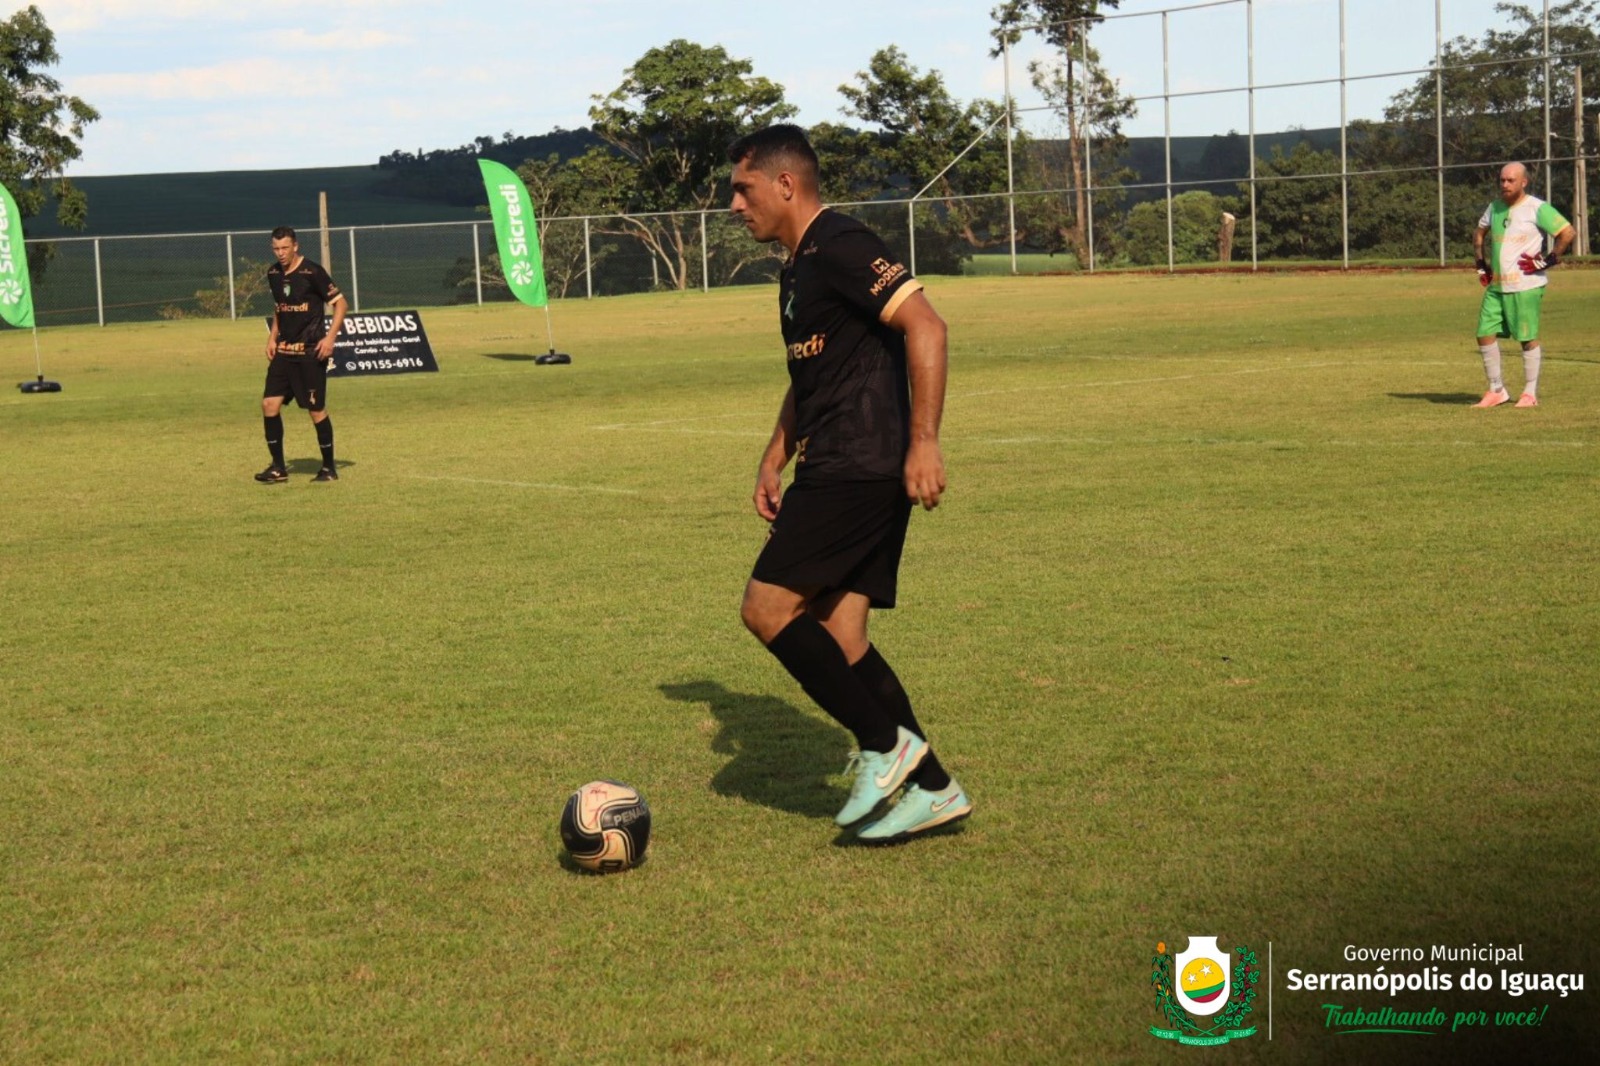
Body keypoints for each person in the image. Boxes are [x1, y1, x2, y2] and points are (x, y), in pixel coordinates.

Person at [728, 124, 971, 843]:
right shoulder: (795, 268)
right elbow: (810, 376)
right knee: (842, 631)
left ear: (784, 184)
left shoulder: (840, 243)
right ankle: (934, 790)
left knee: (766, 607)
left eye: (742, 190)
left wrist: (924, 443)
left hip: (860, 462)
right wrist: (775, 455)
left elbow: (927, 327)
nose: (734, 206)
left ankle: (885, 744)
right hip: (833, 460)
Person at [1472, 162, 1573, 409]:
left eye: (1511, 180)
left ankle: (1529, 393)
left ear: (1523, 182)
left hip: (1526, 285)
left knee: (1527, 338)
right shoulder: (1494, 207)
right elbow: (1479, 233)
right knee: (1483, 334)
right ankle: (1496, 390)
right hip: (1496, 287)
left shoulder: (1536, 207)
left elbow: (1567, 232)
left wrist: (1549, 259)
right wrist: (1481, 264)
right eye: (1502, 180)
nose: (1505, 184)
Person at [256, 226, 348, 482]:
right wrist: (272, 338)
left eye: (285, 247)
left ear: (295, 246)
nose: (280, 253)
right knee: (269, 404)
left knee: (315, 409)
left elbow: (341, 304)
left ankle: (329, 468)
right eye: (276, 248)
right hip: (284, 352)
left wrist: (330, 338)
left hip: (310, 353)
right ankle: (277, 467)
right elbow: (280, 308)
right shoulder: (273, 273)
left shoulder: (312, 272)